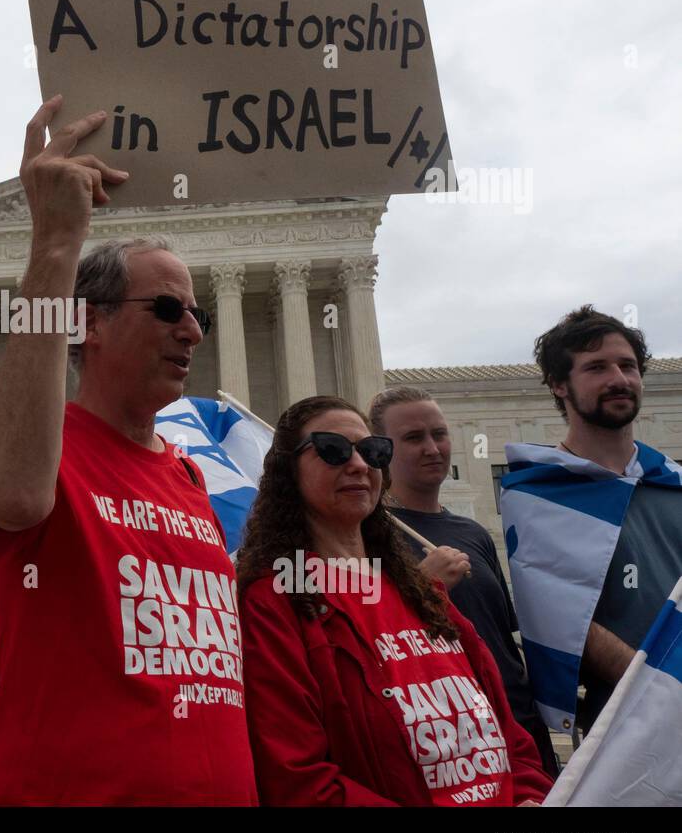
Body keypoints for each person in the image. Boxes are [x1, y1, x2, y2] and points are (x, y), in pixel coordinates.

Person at [0, 95, 256, 806]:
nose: (192, 330)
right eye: (166, 309)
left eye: (198, 312)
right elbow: (11, 496)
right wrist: (56, 244)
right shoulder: (42, 454)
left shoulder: (188, 477)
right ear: (86, 324)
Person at [237, 396, 552, 807]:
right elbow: (297, 779)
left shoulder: (420, 591)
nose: (358, 464)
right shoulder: (275, 599)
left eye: (372, 451)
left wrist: (530, 795)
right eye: (333, 449)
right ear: (288, 471)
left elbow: (509, 733)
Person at [501, 305, 682, 735]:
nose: (618, 379)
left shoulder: (671, 481)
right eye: (597, 368)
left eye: (628, 366)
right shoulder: (540, 495)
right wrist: (666, 690)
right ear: (559, 385)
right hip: (627, 726)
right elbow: (564, 621)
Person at [371, 386, 558, 776]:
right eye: (413, 438)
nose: (432, 448)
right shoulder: (369, 536)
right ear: (382, 451)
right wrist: (424, 586)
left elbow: (504, 639)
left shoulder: (473, 532)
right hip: (450, 739)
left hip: (519, 726)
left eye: (438, 434)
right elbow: (373, 638)